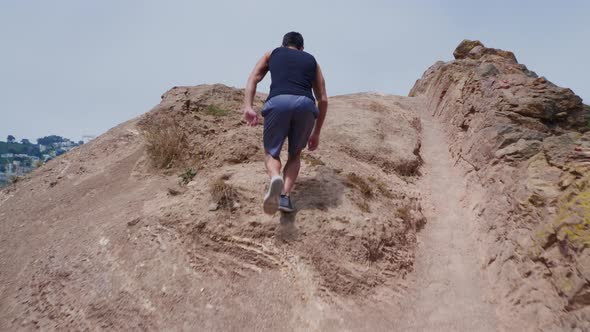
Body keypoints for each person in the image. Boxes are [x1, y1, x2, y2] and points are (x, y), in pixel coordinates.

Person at [243, 31, 328, 214]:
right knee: (295, 154)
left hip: (278, 102)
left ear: (283, 45)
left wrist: (248, 106)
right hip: (305, 104)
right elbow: (323, 99)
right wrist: (317, 132)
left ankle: (275, 177)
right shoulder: (312, 61)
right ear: (302, 48)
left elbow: (253, 78)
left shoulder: (272, 54)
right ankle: (285, 197)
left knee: (271, 152)